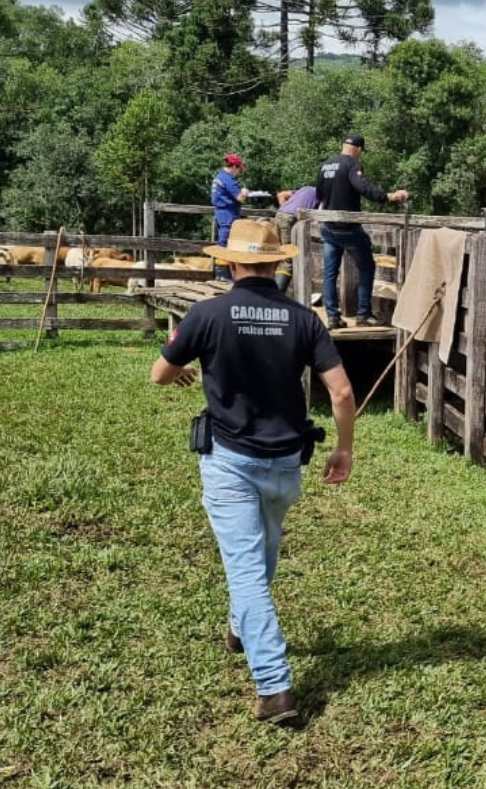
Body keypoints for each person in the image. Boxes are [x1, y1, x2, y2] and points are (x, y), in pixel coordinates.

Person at [149, 218, 356, 725]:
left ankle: (275, 688)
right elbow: (343, 392)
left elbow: (160, 373)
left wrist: (182, 371)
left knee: (246, 569)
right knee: (261, 551)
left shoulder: (207, 313)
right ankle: (241, 628)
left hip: (231, 460)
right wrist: (344, 449)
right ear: (276, 263)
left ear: (230, 261)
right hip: (286, 462)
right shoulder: (303, 318)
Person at [316, 133, 409, 330]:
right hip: (348, 229)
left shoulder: (325, 165)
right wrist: (388, 196)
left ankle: (333, 317)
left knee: (330, 274)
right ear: (358, 150)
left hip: (328, 227)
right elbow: (361, 186)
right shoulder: (352, 164)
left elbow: (319, 195)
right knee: (367, 267)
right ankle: (363, 314)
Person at [210, 154, 250, 282]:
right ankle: (222, 274)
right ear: (233, 167)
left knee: (224, 240)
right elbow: (240, 198)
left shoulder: (219, 176)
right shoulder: (228, 179)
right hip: (228, 213)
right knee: (225, 241)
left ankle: (222, 273)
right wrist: (244, 192)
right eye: (238, 169)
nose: (238, 172)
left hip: (222, 211)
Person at [272, 186, 318, 293]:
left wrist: (286, 210)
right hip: (288, 219)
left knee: (279, 255)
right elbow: (317, 221)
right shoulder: (323, 196)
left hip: (279, 215)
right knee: (289, 259)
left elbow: (281, 195)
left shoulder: (305, 189)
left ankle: (269, 290)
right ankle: (277, 294)